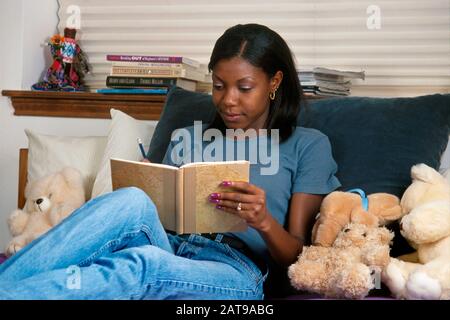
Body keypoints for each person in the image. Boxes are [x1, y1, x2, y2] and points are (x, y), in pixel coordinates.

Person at [0, 23, 340, 300]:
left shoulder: (307, 146)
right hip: (173, 243)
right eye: (219, 86)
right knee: (131, 200)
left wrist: (263, 221)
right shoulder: (190, 137)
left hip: (237, 269)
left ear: (274, 82)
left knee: (143, 264)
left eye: (244, 87)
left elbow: (299, 256)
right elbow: (154, 213)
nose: (228, 100)